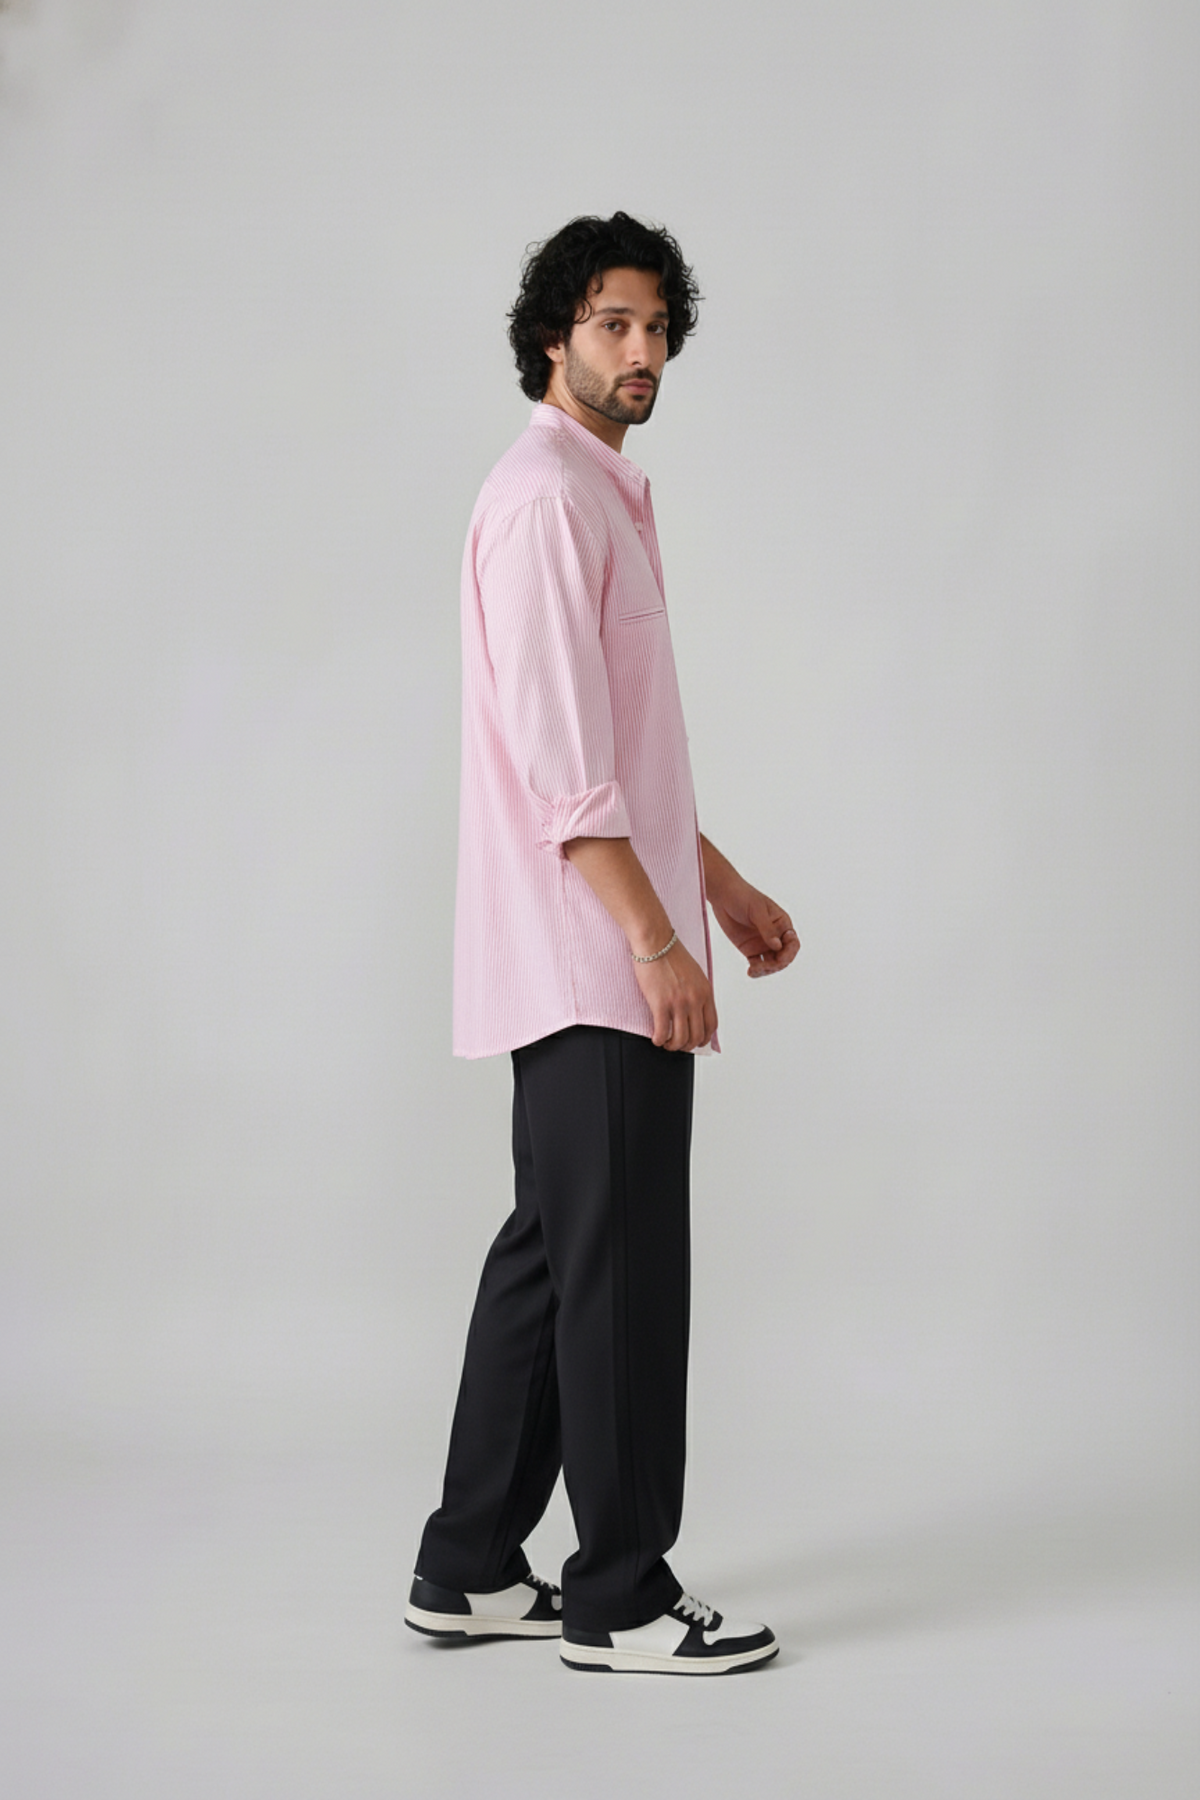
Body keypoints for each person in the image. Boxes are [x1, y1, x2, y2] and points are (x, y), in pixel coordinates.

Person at [405, 212, 799, 1676]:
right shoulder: (544, 502)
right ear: (553, 336)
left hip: (604, 936)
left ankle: (469, 1567)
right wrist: (655, 942)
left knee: (558, 1255)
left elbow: (625, 755)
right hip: (590, 956)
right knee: (619, 1268)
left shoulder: (600, 493)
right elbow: (566, 773)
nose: (643, 352)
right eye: (614, 324)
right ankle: (621, 1595)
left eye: (657, 328)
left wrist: (718, 888)